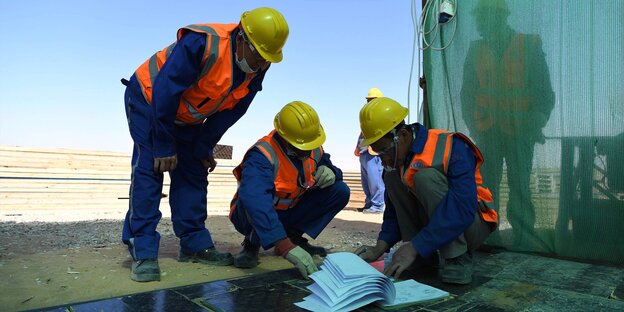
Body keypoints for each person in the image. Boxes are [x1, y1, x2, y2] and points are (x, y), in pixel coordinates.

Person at [121, 7, 289, 282]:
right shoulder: (202, 42)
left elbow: (232, 112)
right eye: (258, 55)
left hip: (185, 116)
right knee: (151, 168)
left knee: (193, 171)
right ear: (242, 39)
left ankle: (194, 244)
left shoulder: (258, 67)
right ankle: (143, 250)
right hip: (150, 100)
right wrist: (163, 143)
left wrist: (203, 147)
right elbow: (167, 88)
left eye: (267, 59)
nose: (261, 64)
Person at [354, 97, 498, 284]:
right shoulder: (397, 163)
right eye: (378, 154)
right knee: (391, 178)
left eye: (385, 151)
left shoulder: (451, 146)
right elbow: (393, 212)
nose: (383, 160)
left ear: (403, 136)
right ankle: (422, 257)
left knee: (424, 177)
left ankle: (456, 257)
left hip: (473, 223)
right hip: (439, 225)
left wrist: (416, 246)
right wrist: (380, 247)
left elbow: (463, 207)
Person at [460, 0, 554, 246]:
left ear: (498, 17)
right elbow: (467, 94)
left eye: (482, 17)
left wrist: (537, 122)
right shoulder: (476, 50)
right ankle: (490, 237)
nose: (479, 23)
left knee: (520, 185)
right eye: (478, 17)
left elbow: (544, 90)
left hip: (521, 129)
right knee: (487, 186)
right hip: (487, 131)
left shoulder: (528, 44)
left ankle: (524, 238)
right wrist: (474, 125)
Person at [229, 101, 350, 279]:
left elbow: (329, 167)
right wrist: (284, 247)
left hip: (289, 212)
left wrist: (332, 172)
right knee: (253, 200)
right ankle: (252, 243)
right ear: (285, 138)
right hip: (251, 216)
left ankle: (293, 237)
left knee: (339, 190)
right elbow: (255, 199)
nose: (308, 150)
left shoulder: (312, 146)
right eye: (303, 147)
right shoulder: (262, 154)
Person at [354, 88, 386, 214]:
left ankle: (378, 206)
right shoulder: (367, 115)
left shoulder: (382, 114)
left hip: (374, 152)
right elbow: (363, 133)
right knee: (366, 181)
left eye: (372, 100)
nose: (370, 102)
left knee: (375, 180)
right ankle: (369, 204)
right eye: (369, 100)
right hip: (364, 151)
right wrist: (358, 147)